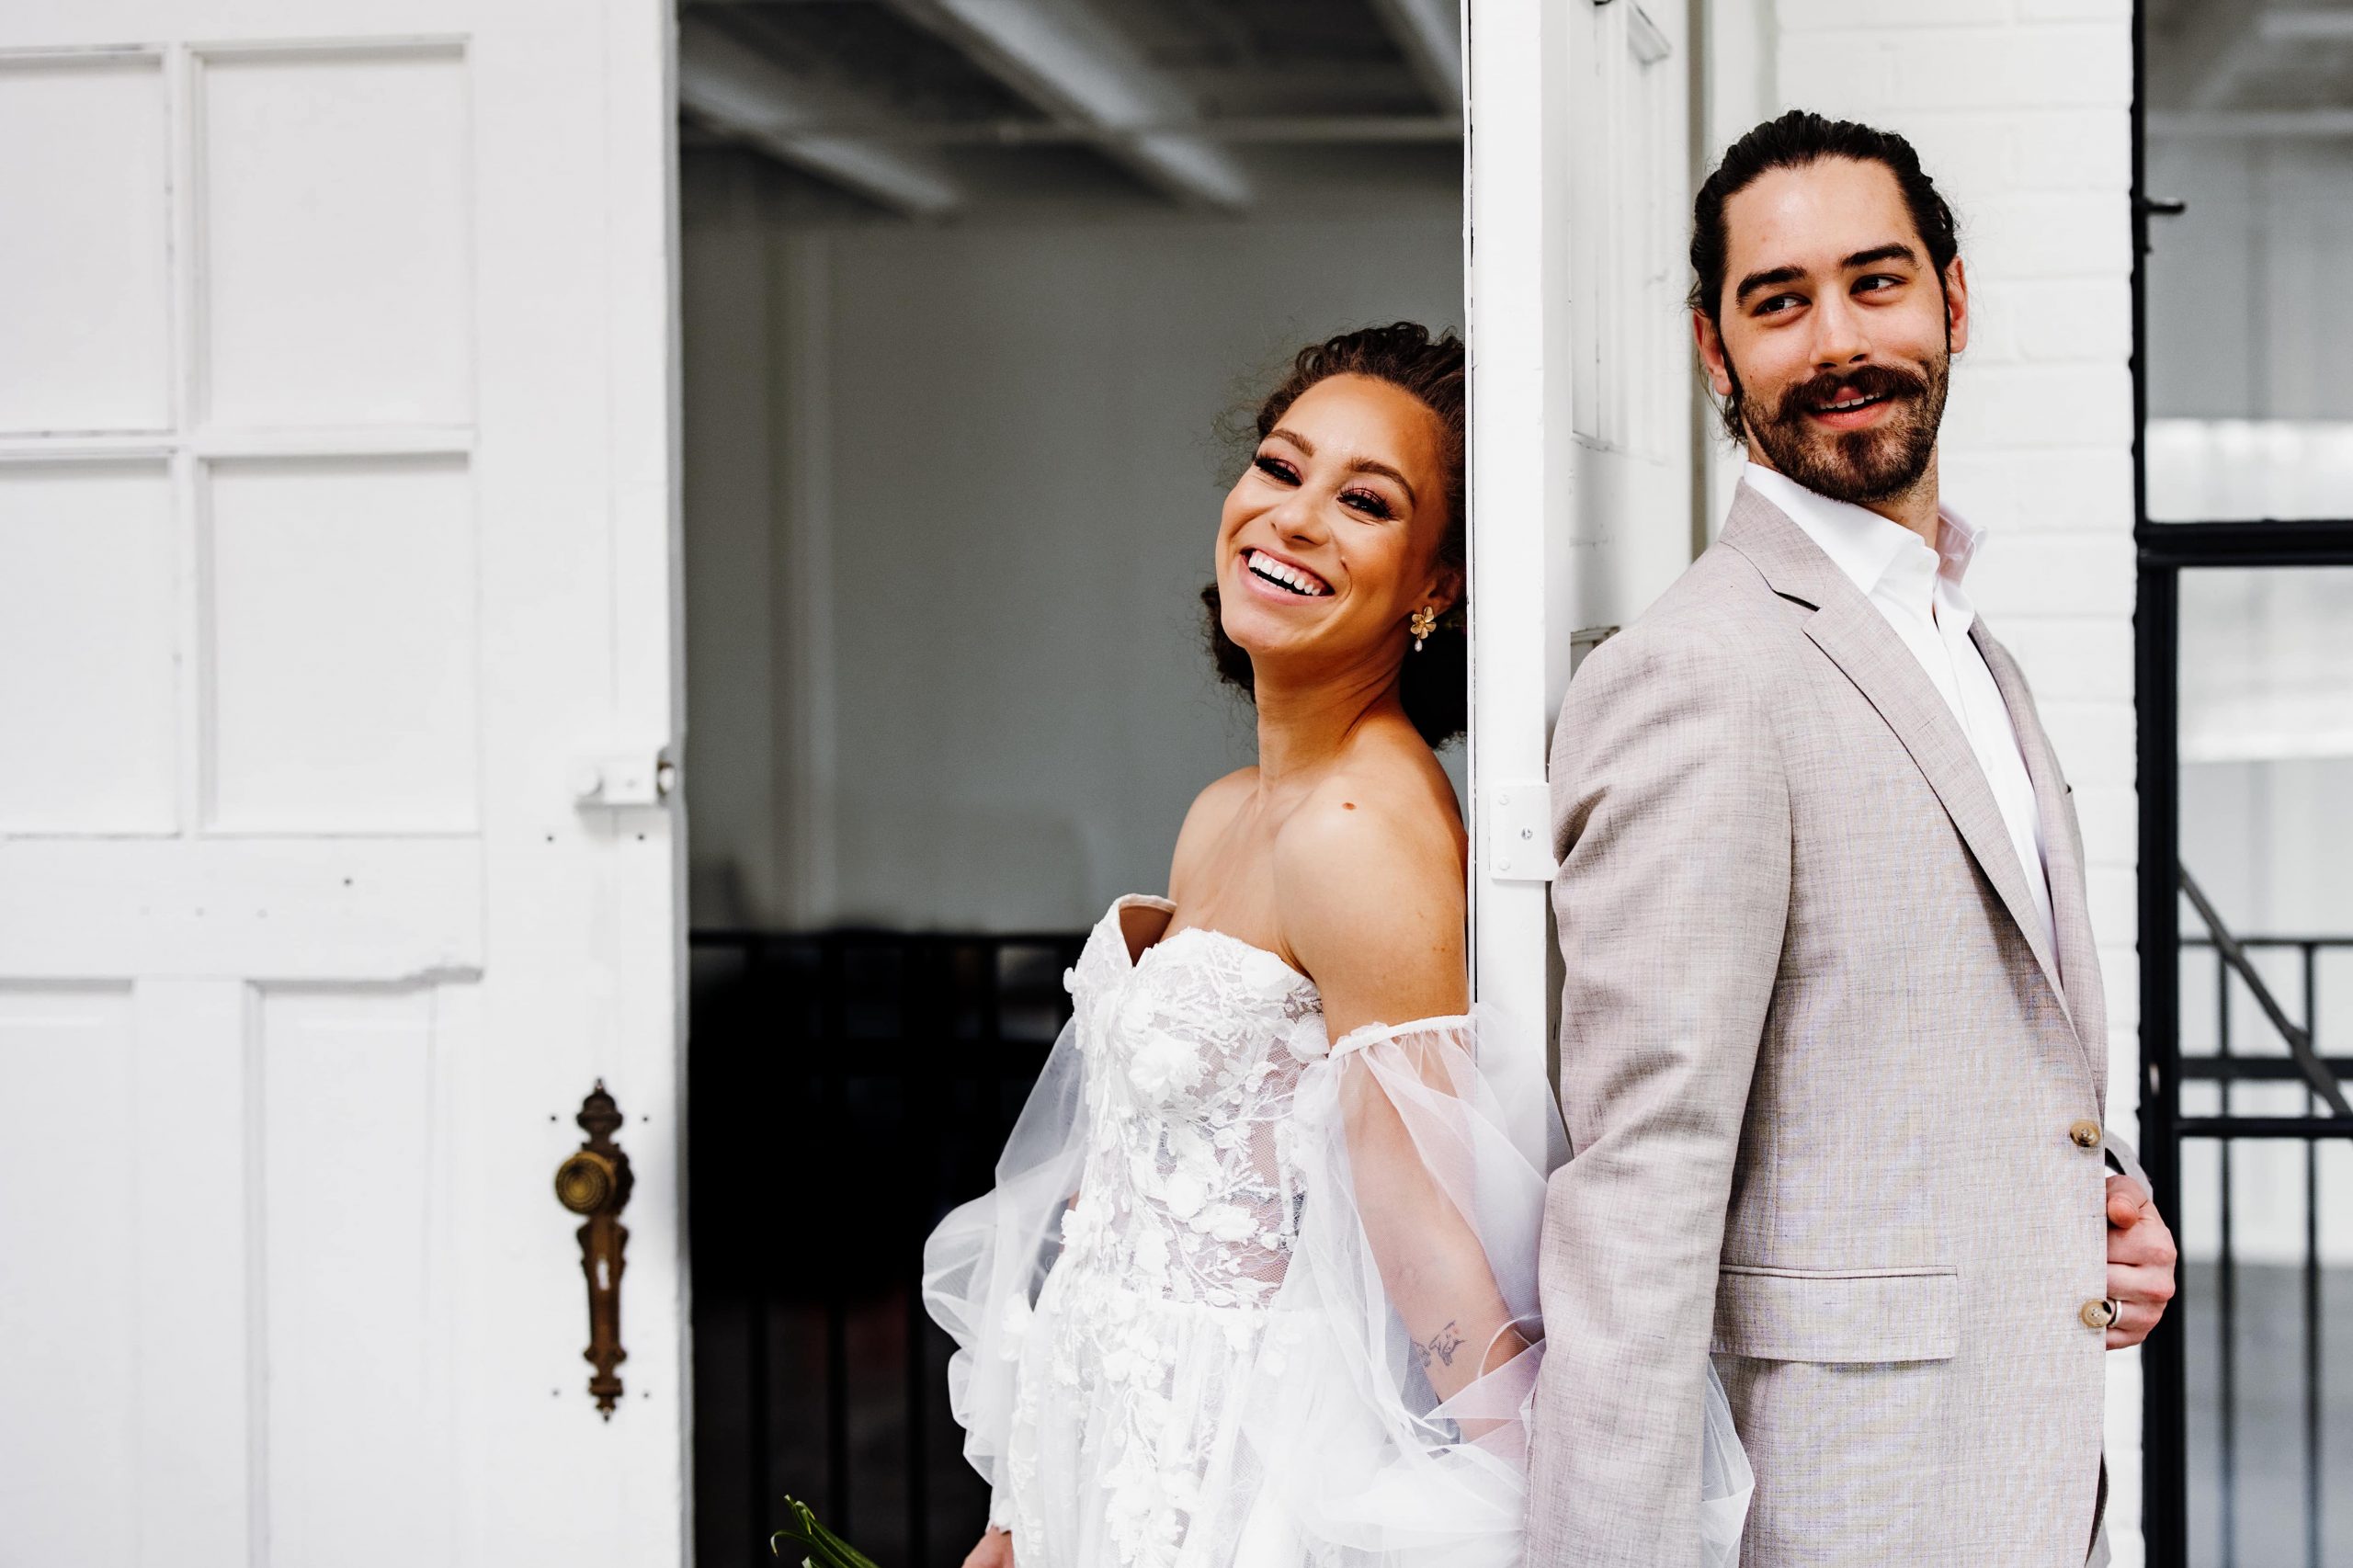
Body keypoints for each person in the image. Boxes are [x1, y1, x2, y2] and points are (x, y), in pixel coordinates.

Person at [924, 324, 1750, 1568]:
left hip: (1231, 1465)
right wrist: (1024, 1501)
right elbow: (1123, 1184)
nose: (1294, 518)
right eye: (1279, 466)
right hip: (1104, 1442)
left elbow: (1417, 1212)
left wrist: (1544, 1508)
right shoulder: (1227, 809)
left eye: (1365, 500)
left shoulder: (1362, 826)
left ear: (1436, 582)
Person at [1529, 111, 2179, 1568]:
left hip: (2013, 1470)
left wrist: (2088, 1209)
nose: (1836, 338)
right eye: (1779, 301)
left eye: (1875, 282)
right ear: (1715, 351)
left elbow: (1928, 1042)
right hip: (1847, 1502)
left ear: (1953, 299)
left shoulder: (1961, 635)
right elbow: (1641, 1182)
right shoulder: (1697, 673)